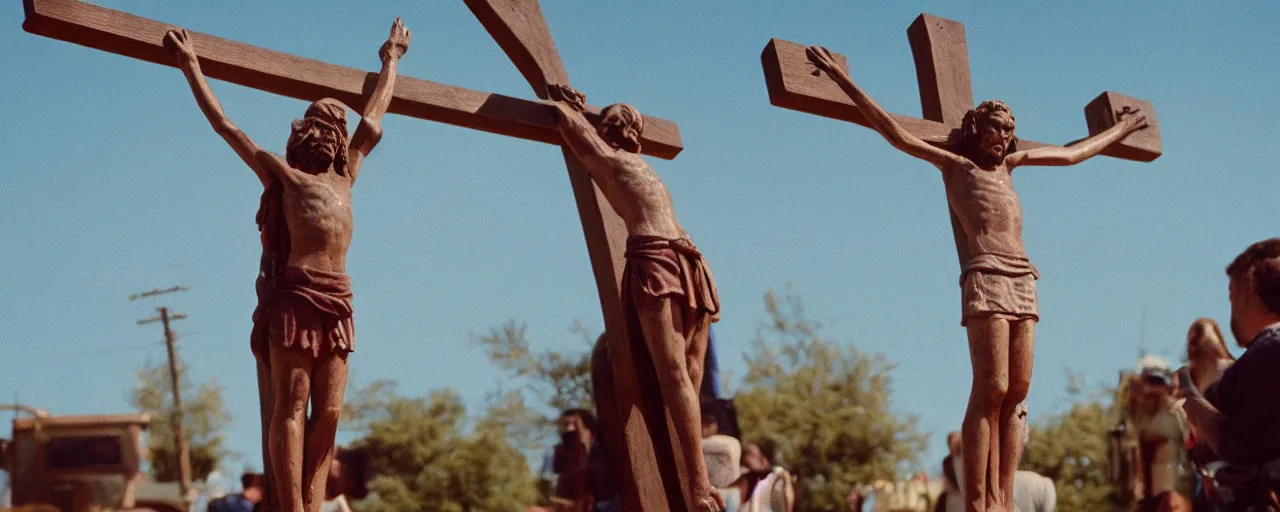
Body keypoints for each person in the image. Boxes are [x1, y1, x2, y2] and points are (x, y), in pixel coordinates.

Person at [805, 45, 1149, 512]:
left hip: (1023, 276)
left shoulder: (1011, 167)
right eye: (996, 128)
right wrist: (843, 81)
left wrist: (1121, 128)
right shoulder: (956, 166)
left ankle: (1003, 497)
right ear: (975, 128)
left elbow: (1071, 155)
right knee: (992, 387)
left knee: (1019, 392)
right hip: (985, 271)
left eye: (1009, 130)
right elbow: (895, 132)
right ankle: (979, 498)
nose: (1004, 138)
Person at [163, 18, 410, 512]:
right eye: (316, 124)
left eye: (333, 127)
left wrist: (391, 59)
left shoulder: (347, 178)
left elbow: (375, 120)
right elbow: (226, 126)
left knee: (332, 410)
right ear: (300, 135)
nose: (325, 133)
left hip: (338, 302)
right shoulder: (284, 175)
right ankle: (293, 506)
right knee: (291, 405)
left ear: (340, 142)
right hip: (295, 298)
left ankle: (313, 500)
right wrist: (192, 67)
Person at [548, 85, 722, 512]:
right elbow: (573, 127)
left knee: (677, 375)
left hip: (661, 258)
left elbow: (566, 123)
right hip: (690, 257)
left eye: (615, 121)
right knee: (687, 374)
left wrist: (561, 101)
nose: (617, 128)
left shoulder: (613, 160)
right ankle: (693, 477)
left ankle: (697, 485)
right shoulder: (642, 170)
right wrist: (572, 109)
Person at [1177, 238, 1280, 509]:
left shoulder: (1268, 350)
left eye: (1232, 297)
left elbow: (1238, 444)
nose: (1231, 310)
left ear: (1250, 288)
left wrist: (1188, 396)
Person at [552, 409, 597, 512]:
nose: (568, 429)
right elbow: (557, 468)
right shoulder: (561, 449)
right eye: (565, 425)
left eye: (574, 425)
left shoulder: (595, 451)